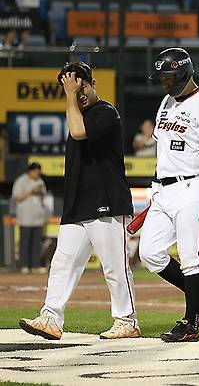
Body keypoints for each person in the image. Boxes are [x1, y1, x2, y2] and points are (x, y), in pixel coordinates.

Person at [19, 62, 139, 341]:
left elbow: (78, 132)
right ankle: (51, 317)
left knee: (113, 265)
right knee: (63, 263)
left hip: (106, 202)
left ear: (92, 82)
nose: (77, 92)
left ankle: (127, 320)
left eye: (81, 85)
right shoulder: (77, 113)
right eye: (70, 87)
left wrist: (70, 97)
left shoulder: (105, 112)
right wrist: (71, 97)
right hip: (77, 206)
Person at [138, 48, 199, 342]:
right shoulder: (165, 102)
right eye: (161, 76)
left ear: (184, 73)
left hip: (194, 187)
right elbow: (162, 149)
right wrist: (154, 186)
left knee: (192, 259)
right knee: (150, 253)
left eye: (168, 76)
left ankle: (190, 323)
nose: (164, 81)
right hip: (165, 189)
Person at [11, 162, 48, 274]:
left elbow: (43, 197)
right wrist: (31, 191)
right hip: (25, 218)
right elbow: (17, 197)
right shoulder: (21, 181)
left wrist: (40, 192)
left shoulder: (40, 181)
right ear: (30, 171)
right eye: (35, 171)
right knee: (25, 242)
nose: (37, 174)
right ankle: (24, 265)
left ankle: (35, 265)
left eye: (38, 172)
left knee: (37, 243)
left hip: (38, 218)